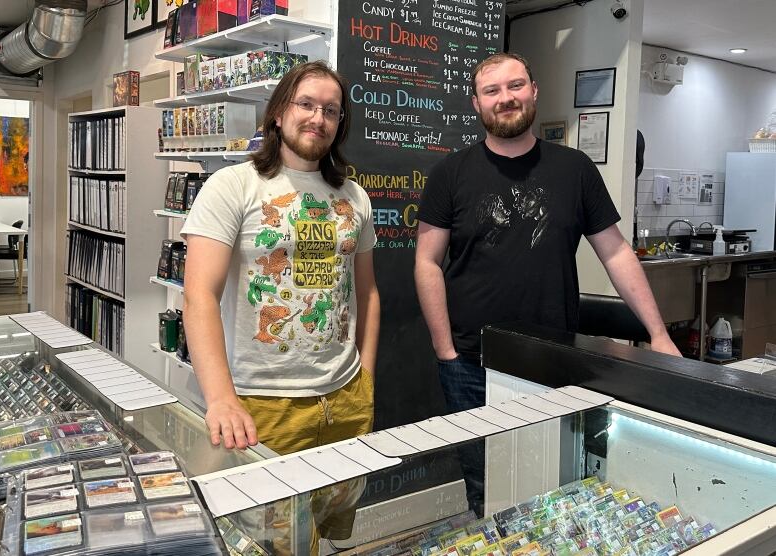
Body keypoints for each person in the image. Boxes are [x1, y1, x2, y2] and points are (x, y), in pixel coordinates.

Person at [414, 52, 680, 514]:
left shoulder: (574, 169)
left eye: (515, 86)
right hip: (471, 362)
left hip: (556, 362)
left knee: (557, 483)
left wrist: (659, 334)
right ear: (476, 104)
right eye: (492, 91)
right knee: (485, 484)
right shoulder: (449, 174)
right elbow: (427, 262)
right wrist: (445, 352)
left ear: (534, 91)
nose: (505, 99)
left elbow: (616, 252)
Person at [181, 60, 380, 457]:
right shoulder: (233, 185)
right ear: (277, 112)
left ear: (340, 123)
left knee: (339, 517)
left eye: (331, 110)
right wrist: (221, 399)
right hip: (259, 404)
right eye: (305, 104)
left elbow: (367, 292)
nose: (317, 118)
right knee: (264, 521)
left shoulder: (355, 196)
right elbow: (198, 295)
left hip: (345, 398)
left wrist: (366, 380)